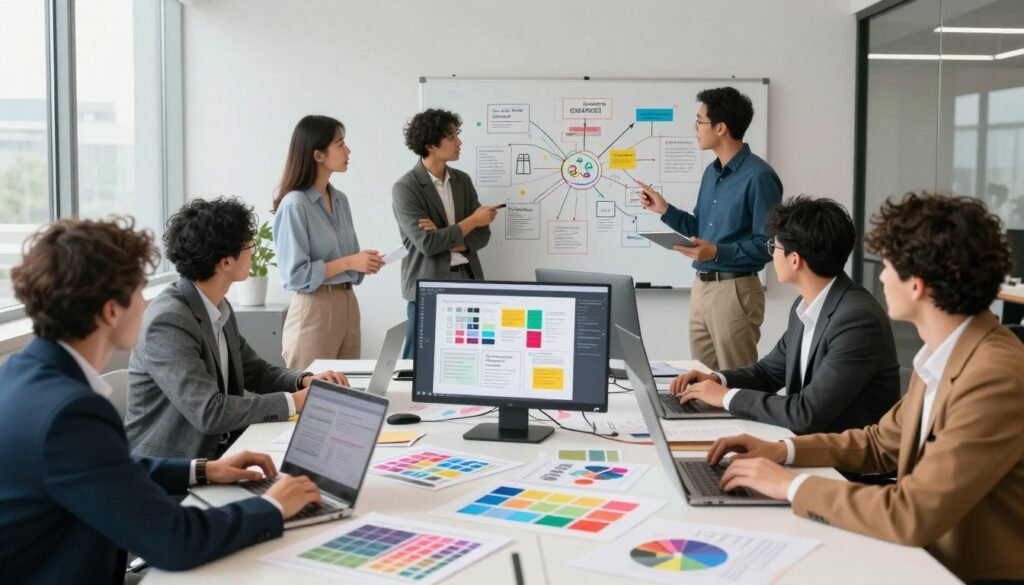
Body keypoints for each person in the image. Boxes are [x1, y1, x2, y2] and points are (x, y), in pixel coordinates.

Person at [707, 193, 1024, 583]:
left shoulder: (994, 375)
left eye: (888, 266)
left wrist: (790, 486)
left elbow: (912, 514)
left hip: (963, 572)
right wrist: (782, 450)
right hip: (924, 556)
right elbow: (879, 442)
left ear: (917, 286)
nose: (880, 276)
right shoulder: (946, 352)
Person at [0, 217, 322, 583]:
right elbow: (175, 540)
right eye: (139, 292)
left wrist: (201, 469)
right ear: (110, 311)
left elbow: (103, 467)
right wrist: (273, 506)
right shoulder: (71, 411)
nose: (146, 304)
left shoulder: (18, 376)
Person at [126, 197, 347, 460]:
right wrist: (295, 402)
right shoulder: (168, 322)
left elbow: (256, 372)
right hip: (176, 466)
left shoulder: (216, 304)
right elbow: (209, 412)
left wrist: (302, 381)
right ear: (226, 262)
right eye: (248, 245)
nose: (252, 252)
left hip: (224, 450)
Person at [669, 196, 900, 435]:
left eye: (774, 247)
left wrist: (727, 397)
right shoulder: (806, 304)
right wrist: (717, 380)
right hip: (809, 446)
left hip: (845, 465)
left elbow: (806, 413)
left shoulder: (857, 320)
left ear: (795, 259)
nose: (772, 256)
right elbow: (768, 373)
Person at [639, 87, 782, 370]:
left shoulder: (759, 176)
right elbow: (700, 228)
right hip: (701, 287)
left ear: (720, 128)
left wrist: (716, 251)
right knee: (702, 378)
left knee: (736, 378)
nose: (695, 129)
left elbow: (768, 245)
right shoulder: (711, 173)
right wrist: (664, 210)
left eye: (699, 121)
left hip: (735, 289)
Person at [273, 115, 384, 369]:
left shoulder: (341, 200)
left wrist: (363, 262)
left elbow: (349, 258)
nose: (348, 150)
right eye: (340, 144)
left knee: (346, 395)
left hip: (348, 303)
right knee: (311, 397)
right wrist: (349, 262)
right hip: (315, 308)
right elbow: (295, 275)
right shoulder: (295, 204)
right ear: (318, 155)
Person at [393, 108, 499, 358]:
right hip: (429, 284)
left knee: (468, 358)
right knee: (418, 363)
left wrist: (447, 236)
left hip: (469, 280)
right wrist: (472, 221)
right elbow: (427, 244)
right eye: (451, 137)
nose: (459, 142)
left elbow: (482, 235)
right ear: (430, 145)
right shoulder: (405, 188)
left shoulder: (462, 180)